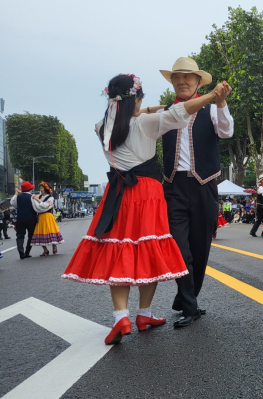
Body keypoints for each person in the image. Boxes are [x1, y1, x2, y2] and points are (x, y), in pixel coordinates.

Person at [62, 73, 223, 344]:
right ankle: (144, 313)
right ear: (135, 98)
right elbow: (180, 111)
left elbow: (130, 113)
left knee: (119, 248)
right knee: (150, 248)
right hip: (147, 192)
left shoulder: (101, 126)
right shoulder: (146, 124)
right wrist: (211, 96)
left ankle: (120, 316)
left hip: (117, 193)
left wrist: (141, 108)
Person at [159, 57, 235, 328]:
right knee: (179, 249)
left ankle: (187, 297)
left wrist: (222, 102)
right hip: (173, 186)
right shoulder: (166, 112)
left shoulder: (212, 109)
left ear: (197, 82)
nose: (181, 82)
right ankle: (190, 305)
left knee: (200, 249)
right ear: (172, 82)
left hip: (204, 185)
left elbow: (226, 133)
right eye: (176, 78)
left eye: (187, 78)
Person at [30, 182, 64, 256]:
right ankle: (45, 250)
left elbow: (45, 205)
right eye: (40, 188)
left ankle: (54, 246)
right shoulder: (39, 196)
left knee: (50, 231)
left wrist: (37, 199)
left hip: (48, 216)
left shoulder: (50, 198)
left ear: (46, 189)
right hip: (40, 217)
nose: (40, 190)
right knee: (40, 233)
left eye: (42, 188)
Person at [11, 181, 38, 259]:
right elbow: (37, 207)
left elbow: (12, 203)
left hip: (20, 219)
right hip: (31, 219)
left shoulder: (18, 197)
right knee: (31, 236)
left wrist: (16, 193)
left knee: (20, 236)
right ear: (30, 189)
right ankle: (27, 252)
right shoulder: (32, 197)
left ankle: (21, 251)